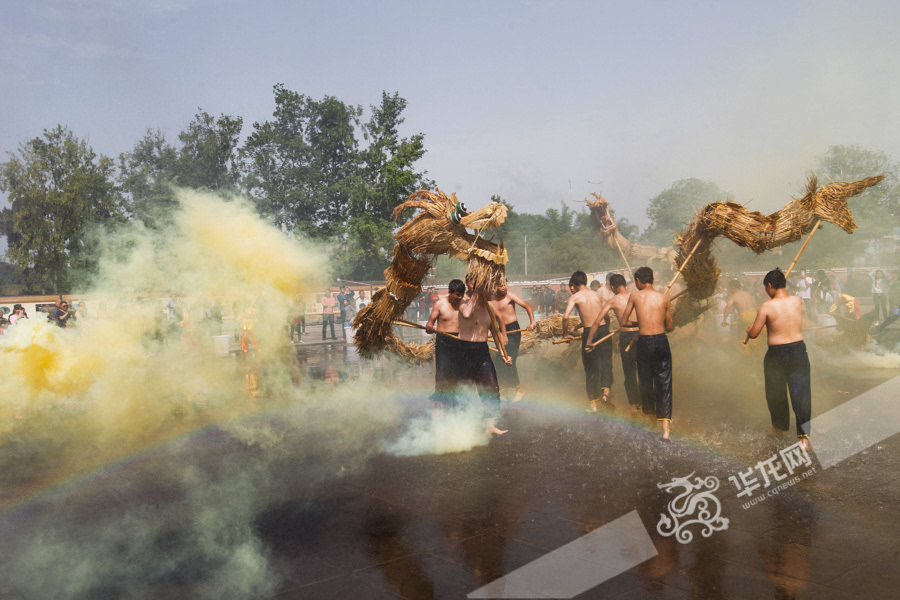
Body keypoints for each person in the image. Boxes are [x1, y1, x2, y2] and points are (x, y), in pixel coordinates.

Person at [746, 268, 811, 450]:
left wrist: (749, 330)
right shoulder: (798, 301)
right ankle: (804, 439)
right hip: (799, 350)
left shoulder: (767, 306)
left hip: (777, 353)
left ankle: (780, 428)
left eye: (766, 288)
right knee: (802, 393)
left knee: (776, 392)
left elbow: (754, 333)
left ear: (769, 286)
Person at [621, 267, 674, 440]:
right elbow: (670, 327)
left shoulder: (635, 296)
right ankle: (666, 430)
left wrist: (639, 322)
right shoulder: (664, 298)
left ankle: (653, 424)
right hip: (661, 341)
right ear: (652, 279)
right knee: (664, 382)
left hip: (644, 342)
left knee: (645, 382)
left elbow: (624, 321)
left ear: (638, 281)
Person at [457, 276, 511, 435]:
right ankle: (459, 427)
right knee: (463, 391)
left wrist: (503, 354)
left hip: (482, 351)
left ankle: (490, 427)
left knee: (491, 387)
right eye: (489, 288)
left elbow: (495, 332)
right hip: (464, 351)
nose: (493, 292)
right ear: (481, 289)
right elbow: (466, 314)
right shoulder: (464, 304)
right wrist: (477, 291)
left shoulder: (490, 309)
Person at [588, 273, 640, 414]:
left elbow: (598, 321)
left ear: (612, 287)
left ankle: (633, 406)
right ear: (626, 284)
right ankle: (647, 403)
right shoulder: (637, 296)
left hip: (626, 335)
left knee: (629, 372)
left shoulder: (612, 301)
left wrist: (590, 341)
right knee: (643, 370)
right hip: (642, 334)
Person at [563, 271, 607, 412]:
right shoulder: (596, 294)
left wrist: (565, 334)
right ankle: (605, 394)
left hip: (590, 333)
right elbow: (597, 316)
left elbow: (565, 317)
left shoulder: (576, 297)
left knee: (591, 369)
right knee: (604, 364)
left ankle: (593, 405)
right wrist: (576, 326)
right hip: (604, 330)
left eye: (572, 286)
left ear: (574, 284)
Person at [489, 285, 535, 402]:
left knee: (511, 360)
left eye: (506, 284)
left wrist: (532, 322)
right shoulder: (491, 299)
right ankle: (504, 389)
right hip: (500, 331)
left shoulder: (510, 296)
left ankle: (518, 389)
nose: (504, 287)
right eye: (501, 285)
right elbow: (490, 317)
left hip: (513, 329)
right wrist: (490, 331)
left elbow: (527, 306)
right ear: (496, 286)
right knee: (500, 360)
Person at [425, 280, 465, 409]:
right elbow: (429, 324)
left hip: (460, 340)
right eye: (457, 295)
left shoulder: (464, 305)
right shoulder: (440, 304)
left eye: (462, 295)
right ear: (449, 292)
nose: (460, 297)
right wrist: (430, 327)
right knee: (442, 371)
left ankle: (456, 398)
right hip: (443, 340)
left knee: (458, 371)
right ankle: (439, 400)